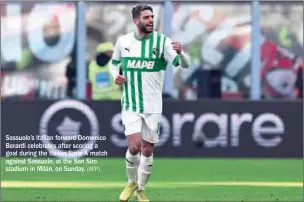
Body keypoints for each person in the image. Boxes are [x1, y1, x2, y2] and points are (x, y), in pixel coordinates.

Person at [109, 5, 190, 202]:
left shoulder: (163, 42)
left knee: (147, 149)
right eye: (146, 17)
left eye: (152, 16)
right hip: (130, 103)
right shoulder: (124, 41)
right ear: (136, 20)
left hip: (153, 106)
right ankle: (130, 182)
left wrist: (181, 53)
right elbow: (113, 63)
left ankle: (141, 189)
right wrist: (116, 76)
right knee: (135, 146)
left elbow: (184, 65)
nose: (151, 20)